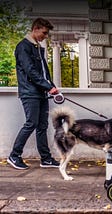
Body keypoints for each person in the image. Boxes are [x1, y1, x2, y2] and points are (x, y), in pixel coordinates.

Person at [7, 18, 60, 170]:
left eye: (47, 33)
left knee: (42, 125)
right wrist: (47, 86)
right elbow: (31, 71)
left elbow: (44, 72)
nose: (45, 36)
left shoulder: (37, 47)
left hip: (41, 93)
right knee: (31, 123)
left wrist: (52, 87)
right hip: (30, 93)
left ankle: (46, 159)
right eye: (44, 32)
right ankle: (14, 155)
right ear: (35, 29)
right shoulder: (23, 47)